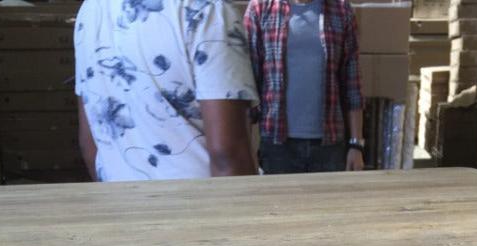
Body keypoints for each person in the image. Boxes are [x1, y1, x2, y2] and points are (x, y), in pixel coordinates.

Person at [74, 0, 258, 182]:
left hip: (120, 203)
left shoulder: (90, 10)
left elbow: (90, 144)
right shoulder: (209, 10)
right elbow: (228, 155)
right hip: (197, 204)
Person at [245, 0, 365, 174]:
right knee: (279, 202)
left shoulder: (340, 10)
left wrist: (356, 145)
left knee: (328, 202)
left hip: (329, 147)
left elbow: (352, 84)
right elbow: (248, 87)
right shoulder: (260, 8)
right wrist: (247, 150)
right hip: (277, 147)